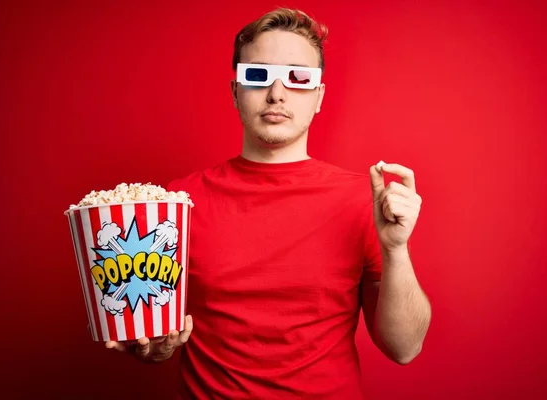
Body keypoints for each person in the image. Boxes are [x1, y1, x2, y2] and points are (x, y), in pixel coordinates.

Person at [105, 7, 431, 399]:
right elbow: (153, 323)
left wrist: (395, 250)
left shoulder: (362, 201)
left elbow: (405, 348)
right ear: (235, 93)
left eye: (298, 78)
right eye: (257, 75)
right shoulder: (179, 202)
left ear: (319, 96)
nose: (277, 93)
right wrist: (154, 347)